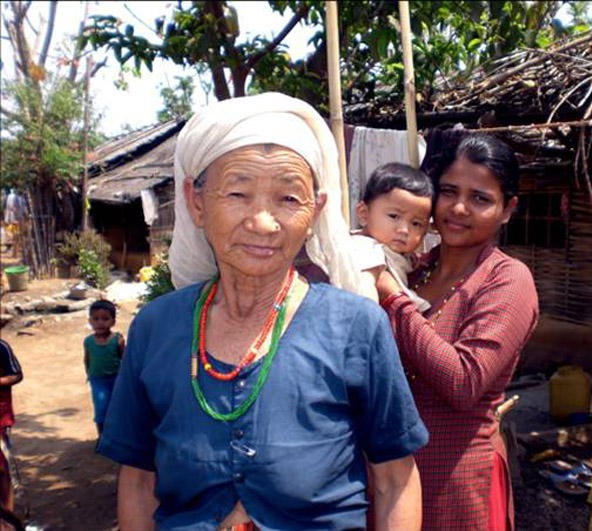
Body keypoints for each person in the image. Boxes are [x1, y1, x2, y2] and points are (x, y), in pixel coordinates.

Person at [98, 92, 428, 531]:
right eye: (237, 192)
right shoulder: (156, 329)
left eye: (289, 199)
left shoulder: (357, 327)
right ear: (195, 202)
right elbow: (139, 482)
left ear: (317, 210)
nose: (263, 223)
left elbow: (394, 480)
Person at [376, 134, 539, 530]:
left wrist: (392, 298)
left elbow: (463, 382)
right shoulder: (412, 268)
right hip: (388, 477)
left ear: (507, 209)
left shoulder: (507, 280)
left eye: (480, 198)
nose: (459, 208)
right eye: (448, 191)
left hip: (456, 480)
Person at [351, 162, 433, 310]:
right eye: (394, 216)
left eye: (415, 224)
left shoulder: (403, 255)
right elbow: (363, 293)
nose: (404, 230)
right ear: (363, 214)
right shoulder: (364, 249)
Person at [84, 300, 125, 436]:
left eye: (105, 319)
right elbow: (87, 359)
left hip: (116, 379)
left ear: (113, 321)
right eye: (96, 319)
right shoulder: (88, 341)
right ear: (90, 321)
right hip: (98, 380)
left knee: (118, 407)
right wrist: (89, 375)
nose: (100, 323)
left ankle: (118, 434)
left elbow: (124, 360)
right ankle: (102, 437)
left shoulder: (117, 340)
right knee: (101, 407)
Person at [0, 339, 22, 527]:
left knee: (2, 468)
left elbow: (16, 375)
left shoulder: (2, 347)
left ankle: (8, 516)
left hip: (1, 416)